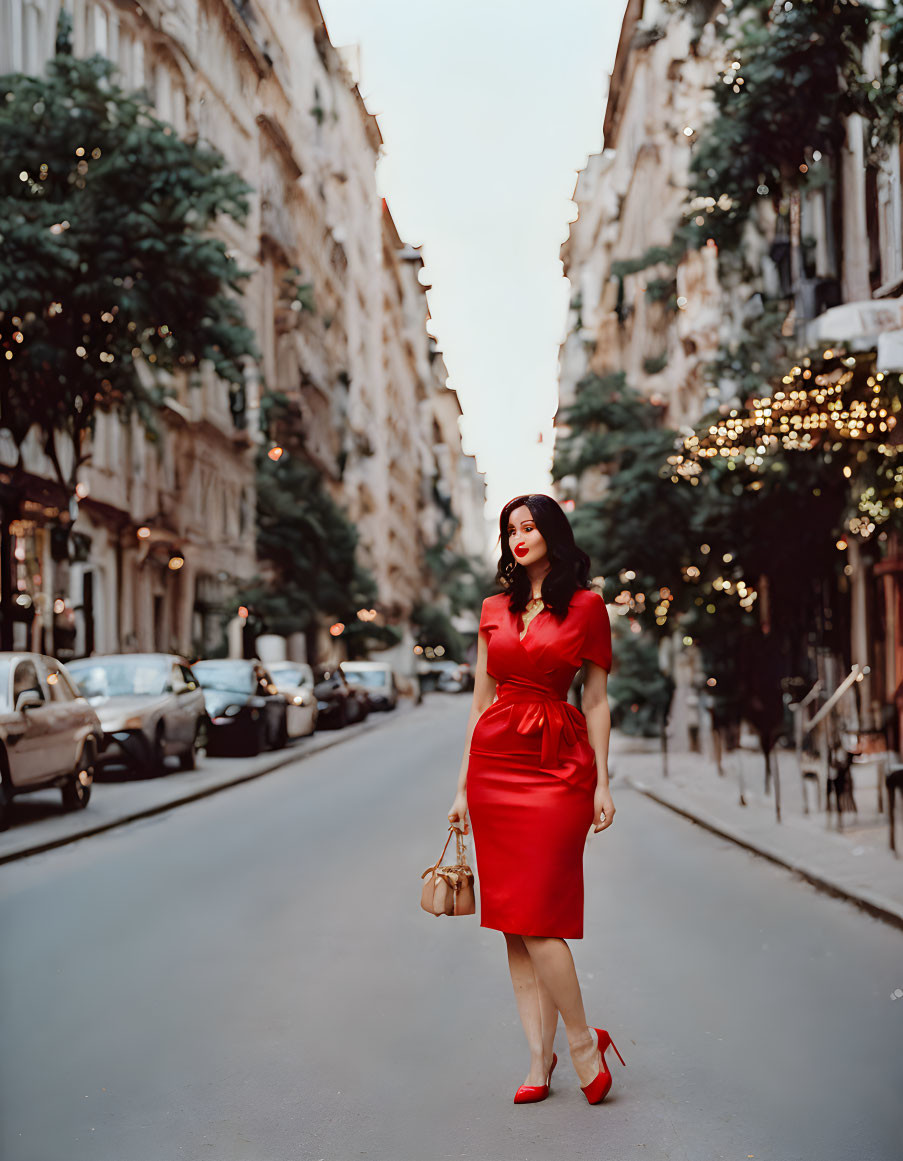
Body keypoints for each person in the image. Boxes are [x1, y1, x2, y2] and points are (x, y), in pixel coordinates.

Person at [447, 493, 626, 1106]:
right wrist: (463, 788)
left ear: (552, 532)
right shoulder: (493, 607)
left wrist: (604, 779)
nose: (519, 537)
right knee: (513, 927)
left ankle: (582, 1042)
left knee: (541, 918)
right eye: (510, 529)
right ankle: (537, 1059)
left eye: (529, 526)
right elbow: (479, 700)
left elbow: (596, 699)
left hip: (558, 766)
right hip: (495, 765)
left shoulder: (588, 606)